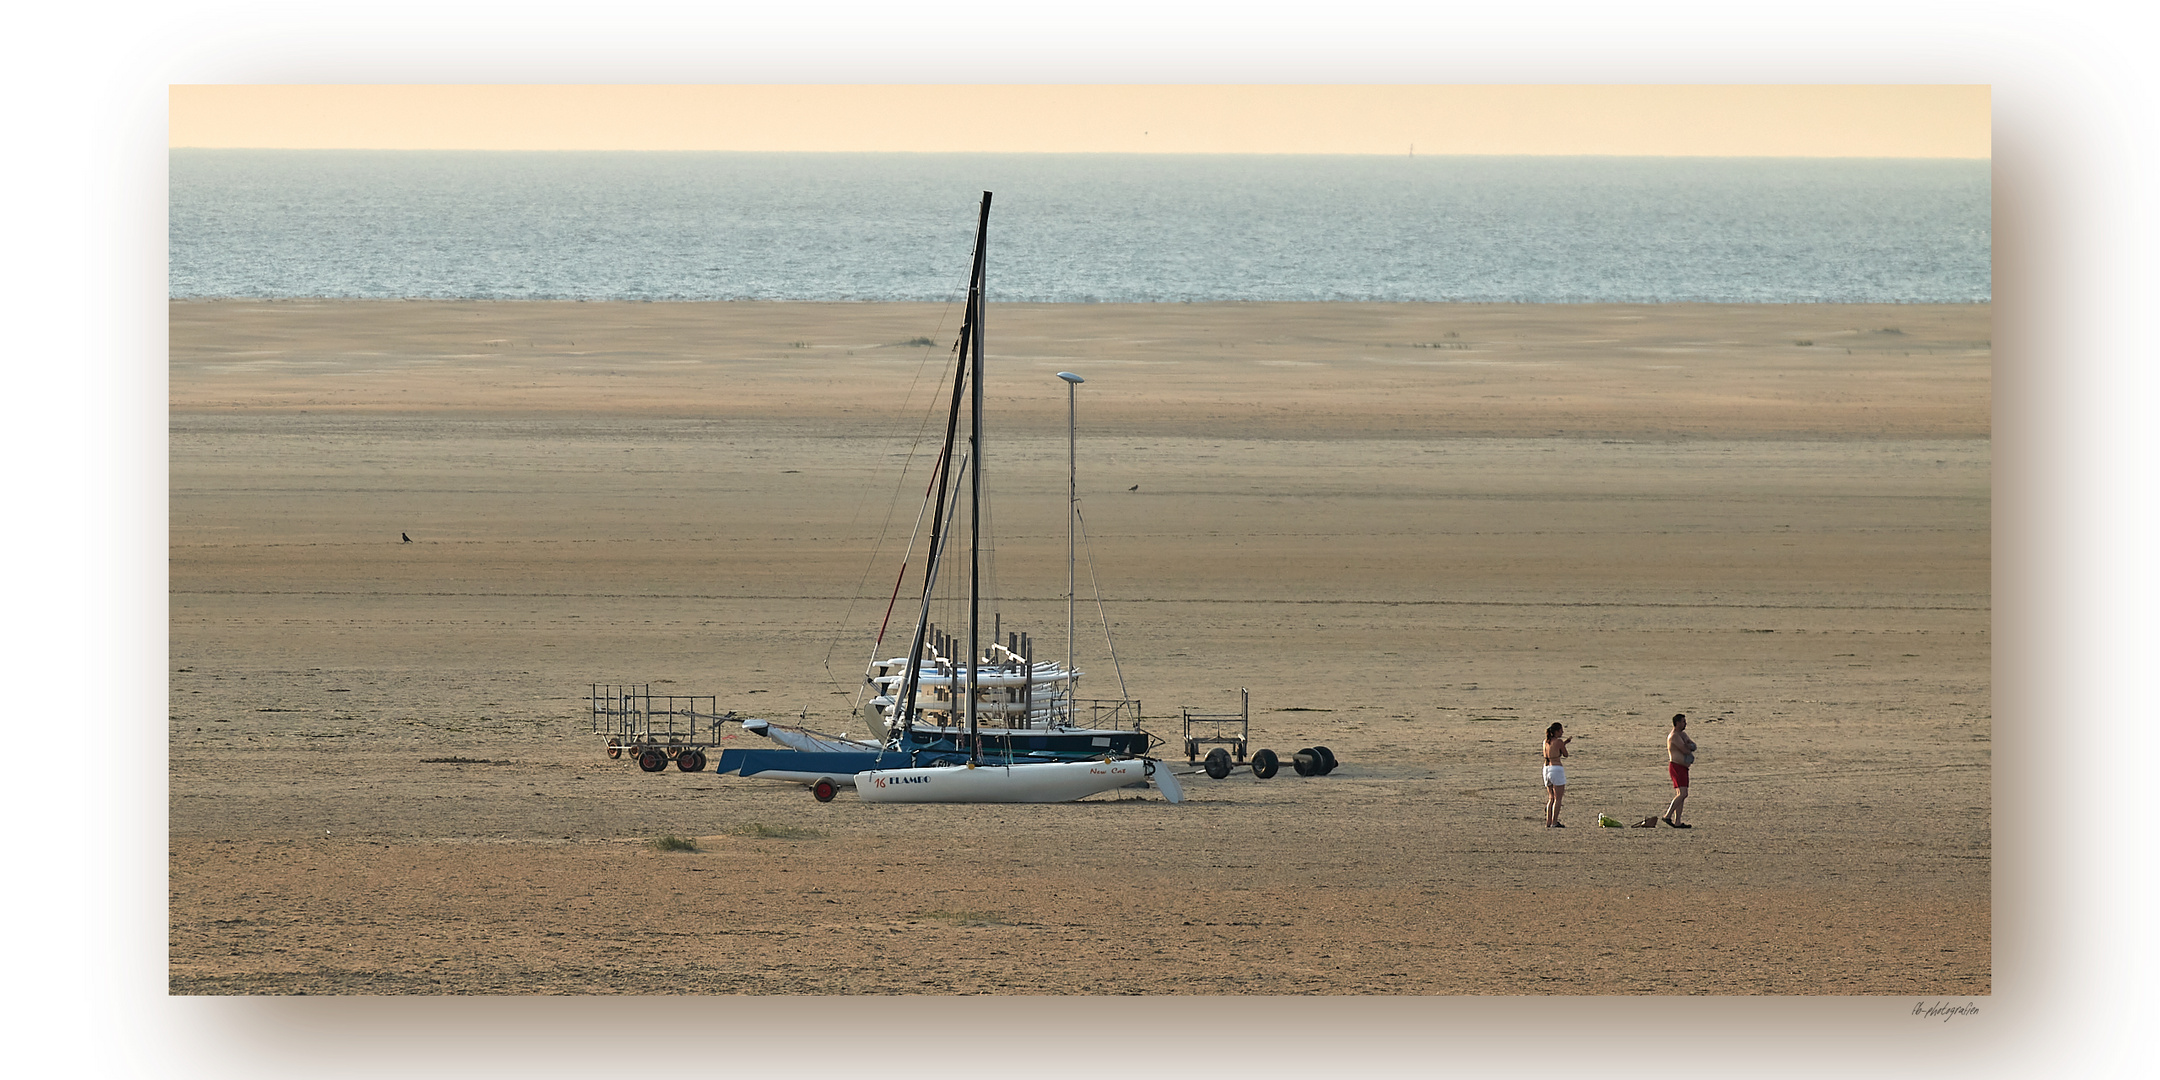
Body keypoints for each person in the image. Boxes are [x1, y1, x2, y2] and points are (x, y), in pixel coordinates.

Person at [1664, 713, 1696, 828]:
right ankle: (1667, 815)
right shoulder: (1674, 736)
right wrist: (1688, 746)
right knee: (1683, 794)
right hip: (1676, 766)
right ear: (1677, 723)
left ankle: (1677, 821)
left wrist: (1689, 745)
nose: (1685, 724)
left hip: (1683, 767)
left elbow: (1693, 745)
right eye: (1683, 722)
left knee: (1681, 795)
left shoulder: (1682, 734)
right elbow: (1685, 749)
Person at [1543, 722, 1571, 827]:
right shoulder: (1558, 742)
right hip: (1556, 769)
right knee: (1558, 798)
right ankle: (1554, 822)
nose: (1562, 732)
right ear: (1556, 731)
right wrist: (1564, 744)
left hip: (1546, 768)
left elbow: (1552, 752)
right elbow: (1565, 754)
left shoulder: (1545, 741)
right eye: (1561, 730)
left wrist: (1564, 743)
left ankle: (1548, 822)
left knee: (1551, 798)